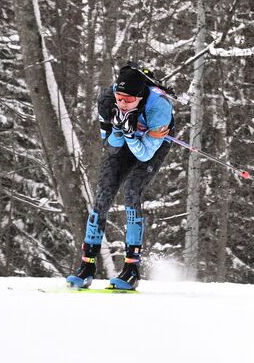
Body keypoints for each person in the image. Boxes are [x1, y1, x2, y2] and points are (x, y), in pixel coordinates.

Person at [65, 63, 175, 290]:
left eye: (128, 100)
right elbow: (112, 147)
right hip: (127, 139)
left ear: (140, 97)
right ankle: (86, 266)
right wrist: (119, 130)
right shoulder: (108, 101)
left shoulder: (159, 108)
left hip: (152, 144)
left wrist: (131, 134)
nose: (122, 104)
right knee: (103, 193)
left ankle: (131, 269)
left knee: (132, 190)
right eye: (119, 97)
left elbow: (145, 155)